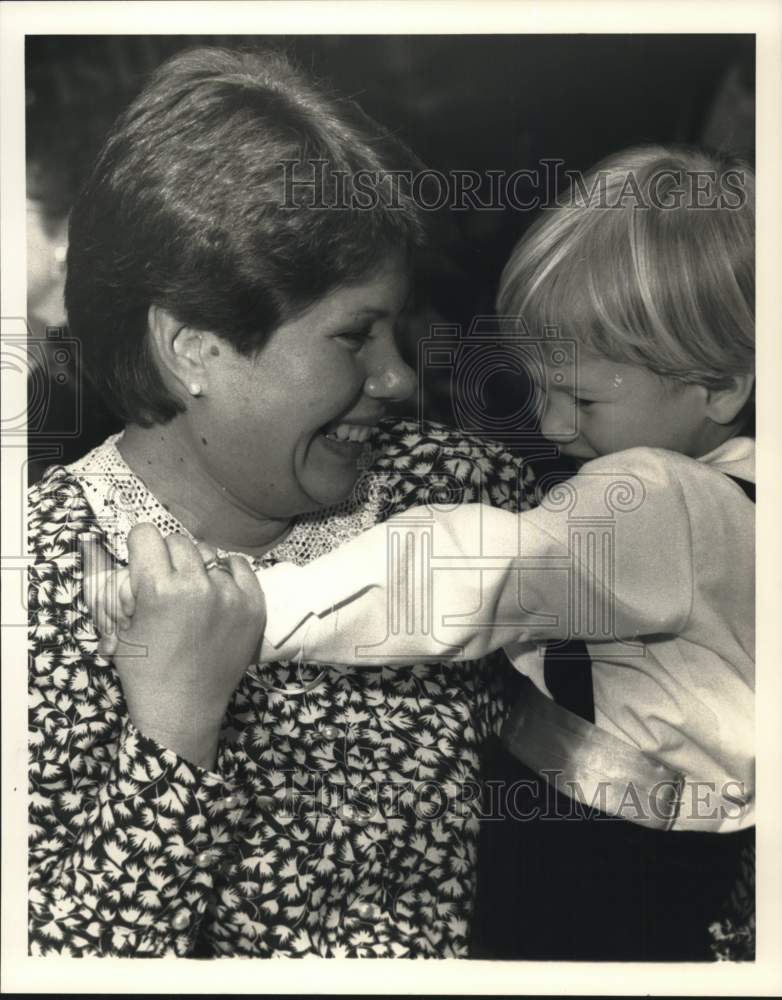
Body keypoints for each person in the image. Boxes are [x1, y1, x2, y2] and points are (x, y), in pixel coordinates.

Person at [95, 145, 756, 960]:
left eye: (582, 398)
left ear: (722, 386)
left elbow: (468, 571)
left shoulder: (660, 498)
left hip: (598, 860)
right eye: (540, 388)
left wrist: (259, 606)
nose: (551, 426)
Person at [28, 46, 539, 959]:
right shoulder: (40, 586)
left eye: (395, 327)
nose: (397, 376)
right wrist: (172, 731)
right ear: (193, 348)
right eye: (353, 336)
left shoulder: (458, 490)